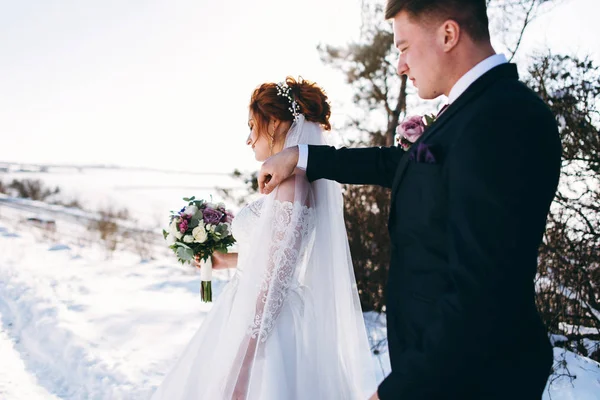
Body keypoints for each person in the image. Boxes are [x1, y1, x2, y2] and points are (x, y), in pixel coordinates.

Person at [258, 1, 562, 399]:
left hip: (472, 380)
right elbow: (396, 164)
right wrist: (300, 156)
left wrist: (398, 391)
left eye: (403, 47)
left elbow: (482, 291)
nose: (400, 65)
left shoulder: (502, 120)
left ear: (448, 35)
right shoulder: (473, 112)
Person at [151, 76, 377, 400]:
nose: (248, 138)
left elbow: (274, 280)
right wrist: (225, 261)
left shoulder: (291, 186)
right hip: (251, 313)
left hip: (265, 327)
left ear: (273, 123)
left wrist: (243, 365)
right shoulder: (289, 183)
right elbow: (274, 257)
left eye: (251, 125)